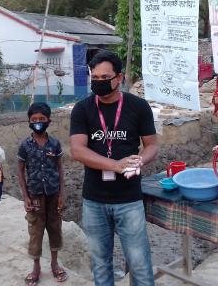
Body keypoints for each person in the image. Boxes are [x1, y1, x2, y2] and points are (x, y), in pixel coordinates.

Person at [70, 50, 159, 286]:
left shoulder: (138, 107)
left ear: (119, 78)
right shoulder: (82, 109)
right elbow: (77, 150)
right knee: (100, 264)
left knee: (139, 263)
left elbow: (151, 145)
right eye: (94, 77)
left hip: (129, 200)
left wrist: (141, 159)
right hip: (94, 201)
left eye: (104, 77)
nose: (98, 82)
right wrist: (115, 165)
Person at [18, 102, 67, 285]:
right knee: (36, 231)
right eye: (34, 119)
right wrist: (25, 196)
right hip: (35, 194)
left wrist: (62, 193)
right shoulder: (25, 145)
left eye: (42, 119)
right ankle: (36, 266)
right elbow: (21, 171)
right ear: (29, 121)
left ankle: (54, 264)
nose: (38, 122)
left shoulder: (54, 144)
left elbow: (60, 169)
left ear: (49, 121)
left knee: (55, 227)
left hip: (53, 194)